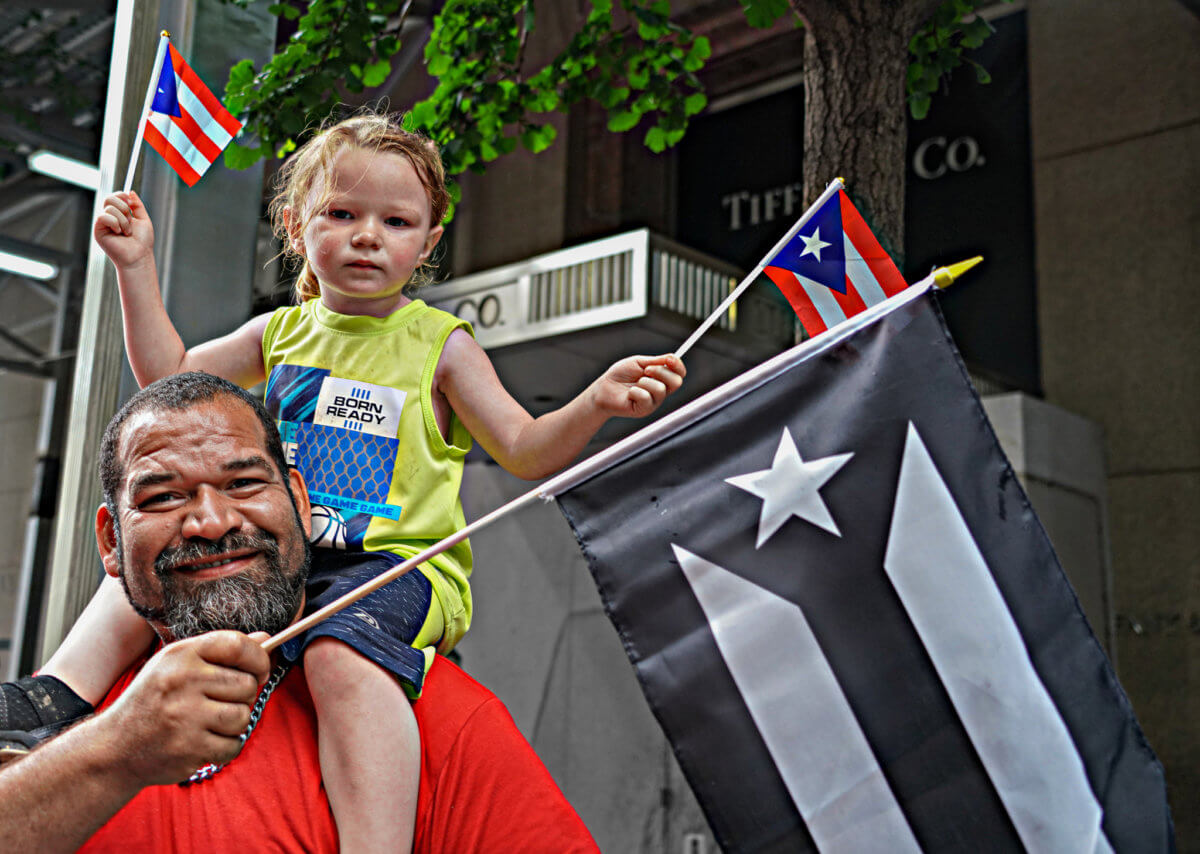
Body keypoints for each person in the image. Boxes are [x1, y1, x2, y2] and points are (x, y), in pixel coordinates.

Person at [16, 110, 685, 851]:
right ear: (297, 229)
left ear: (428, 244)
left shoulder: (441, 345)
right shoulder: (279, 333)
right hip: (294, 556)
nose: (368, 235)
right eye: (342, 213)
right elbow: (169, 377)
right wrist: (134, 265)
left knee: (340, 656)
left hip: (394, 568)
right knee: (137, 583)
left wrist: (593, 403)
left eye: (396, 221)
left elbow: (524, 448)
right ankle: (54, 695)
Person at [0, 372, 599, 853]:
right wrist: (117, 750)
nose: (212, 522)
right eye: (162, 497)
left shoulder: (431, 719)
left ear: (302, 502)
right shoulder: (52, 730)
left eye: (244, 484)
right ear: (110, 542)